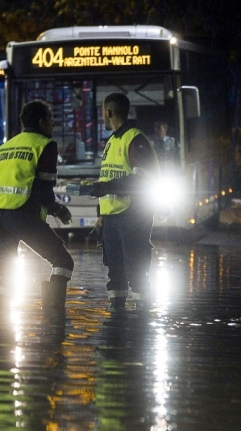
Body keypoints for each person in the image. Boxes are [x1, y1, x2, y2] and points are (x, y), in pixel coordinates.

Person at [0, 100, 74, 318]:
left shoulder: (6, 147)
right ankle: (53, 320)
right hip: (21, 214)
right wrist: (58, 209)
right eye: (50, 120)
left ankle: (1, 333)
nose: (52, 125)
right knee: (63, 261)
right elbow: (44, 189)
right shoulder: (45, 145)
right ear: (42, 122)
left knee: (6, 275)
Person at [89, 93, 161, 309]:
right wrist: (100, 217)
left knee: (136, 271)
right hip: (112, 217)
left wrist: (107, 188)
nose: (103, 114)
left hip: (133, 215)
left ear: (108, 112)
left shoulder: (134, 139)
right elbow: (107, 178)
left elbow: (141, 178)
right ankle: (117, 324)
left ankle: (142, 324)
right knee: (115, 273)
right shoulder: (112, 141)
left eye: (103, 111)